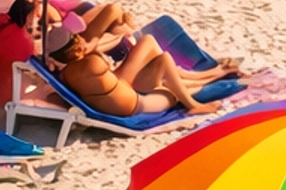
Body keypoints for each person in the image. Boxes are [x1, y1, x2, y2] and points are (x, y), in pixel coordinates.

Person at [49, 25, 242, 117]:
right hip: (137, 103)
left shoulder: (68, 72)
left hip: (126, 95)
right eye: (77, 38)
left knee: (159, 61)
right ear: (75, 48)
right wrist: (92, 46)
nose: (82, 39)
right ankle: (193, 103)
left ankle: (213, 75)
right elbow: (98, 51)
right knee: (167, 73)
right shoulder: (90, 63)